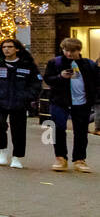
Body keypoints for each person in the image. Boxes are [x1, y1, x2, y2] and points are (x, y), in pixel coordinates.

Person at [0, 38, 41, 169]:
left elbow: (36, 83)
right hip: (0, 101)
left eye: (10, 47)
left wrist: (28, 96)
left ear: (17, 49)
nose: (6, 49)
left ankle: (17, 157)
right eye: (4, 47)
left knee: (19, 130)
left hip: (19, 102)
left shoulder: (27, 65)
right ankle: (3, 151)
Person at [43, 37, 97, 173]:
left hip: (82, 102)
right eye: (66, 50)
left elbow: (97, 81)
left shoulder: (88, 64)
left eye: (72, 51)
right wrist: (61, 77)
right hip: (60, 102)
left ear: (79, 50)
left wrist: (94, 97)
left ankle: (79, 159)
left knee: (81, 131)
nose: (68, 54)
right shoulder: (55, 63)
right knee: (59, 129)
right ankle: (61, 158)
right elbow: (48, 80)